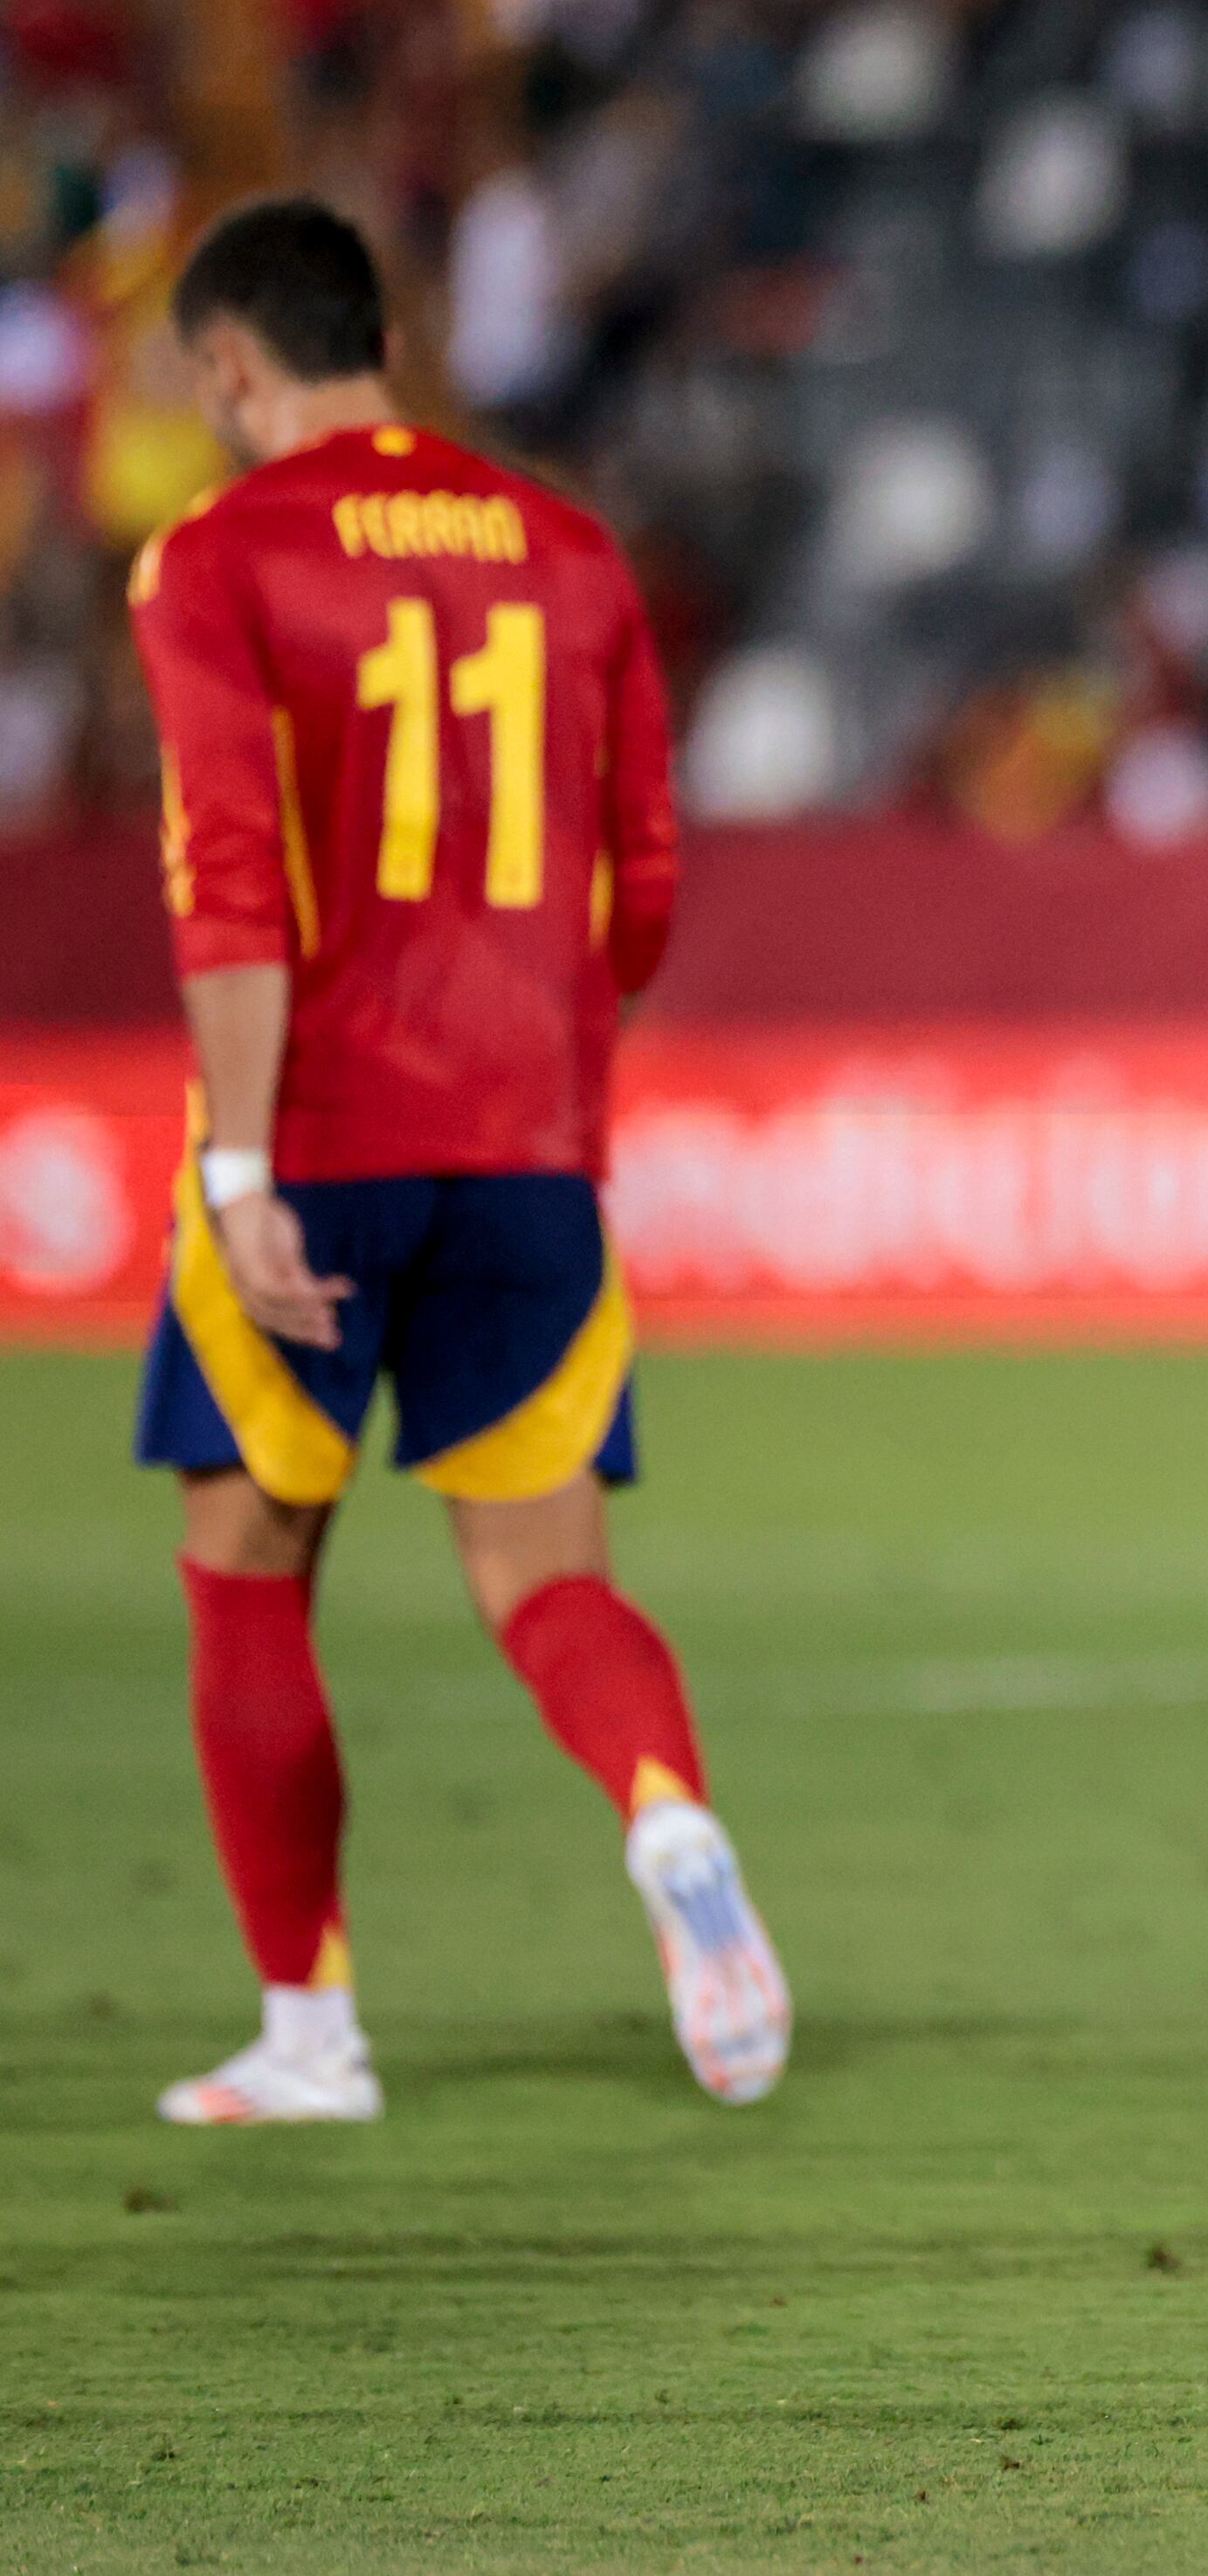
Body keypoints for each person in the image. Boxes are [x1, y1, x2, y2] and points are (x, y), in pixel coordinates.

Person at [128, 194, 786, 2125]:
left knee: (249, 1571)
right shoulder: (570, 553)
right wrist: (548, 1058)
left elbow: (229, 885)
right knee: (543, 1571)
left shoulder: (218, 560)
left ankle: (310, 2034)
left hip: (319, 1133)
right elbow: (646, 877)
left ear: (231, 363)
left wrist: (244, 1171)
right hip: (528, 1144)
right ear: (383, 339)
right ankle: (670, 1826)